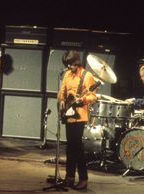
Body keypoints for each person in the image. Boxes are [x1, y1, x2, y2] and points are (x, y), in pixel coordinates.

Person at [57, 50, 97, 190]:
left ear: (77, 62)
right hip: (68, 114)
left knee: (77, 148)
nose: (69, 67)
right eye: (67, 65)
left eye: (71, 65)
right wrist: (61, 101)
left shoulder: (87, 76)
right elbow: (62, 92)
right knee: (70, 147)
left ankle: (84, 179)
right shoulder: (67, 74)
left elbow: (93, 96)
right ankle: (69, 177)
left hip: (80, 116)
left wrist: (83, 99)